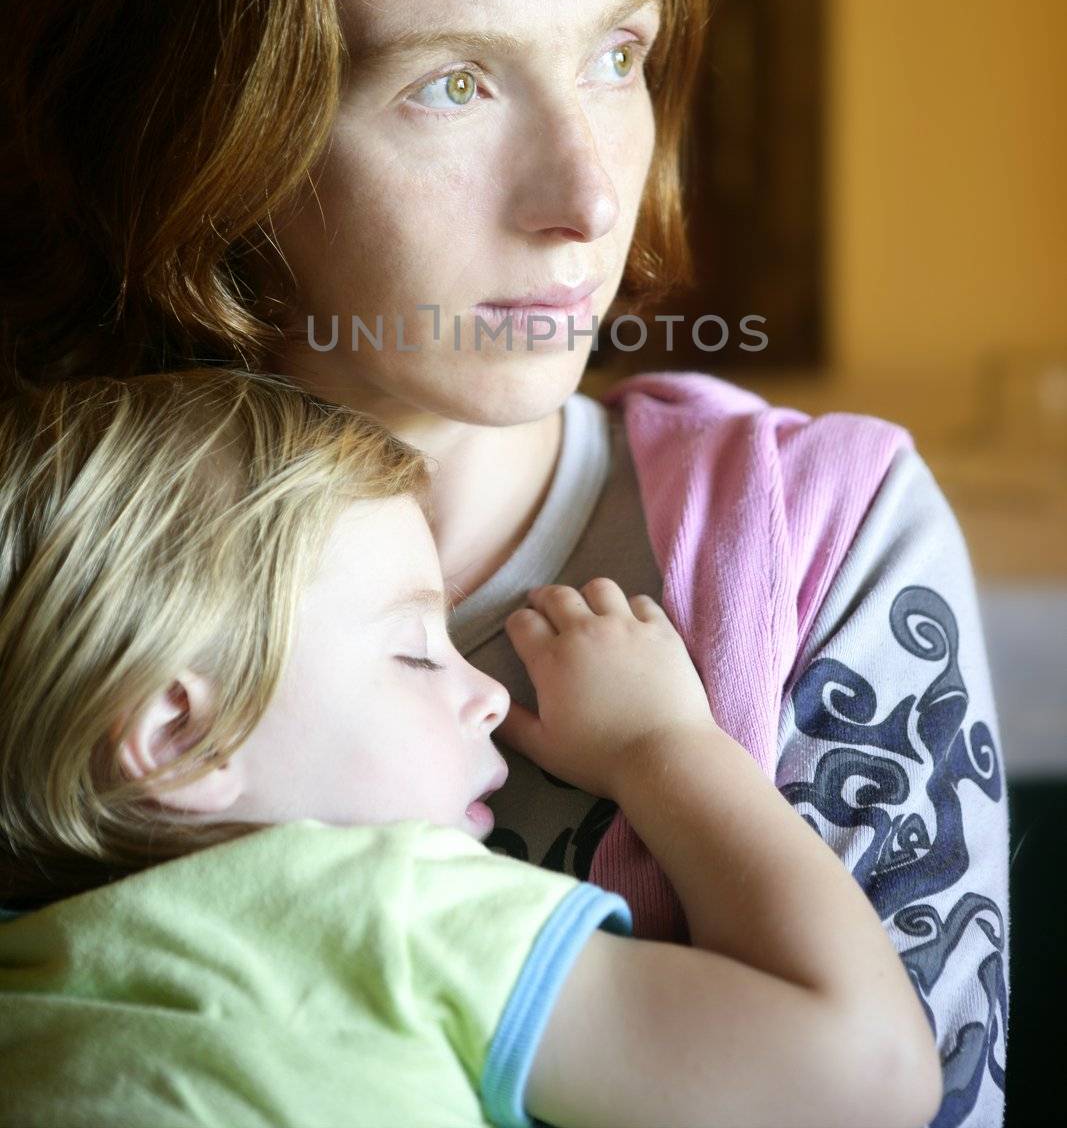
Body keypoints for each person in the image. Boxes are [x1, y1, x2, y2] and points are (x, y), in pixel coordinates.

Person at [0, 0, 1008, 1125]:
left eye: (618, 55)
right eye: (451, 84)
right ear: (216, 121)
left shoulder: (812, 535)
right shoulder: (46, 549)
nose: (588, 195)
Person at [0, 368, 942, 1128]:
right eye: (413, 652)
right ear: (182, 739)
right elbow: (866, 1073)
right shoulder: (386, 908)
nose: (488, 693)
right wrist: (664, 744)